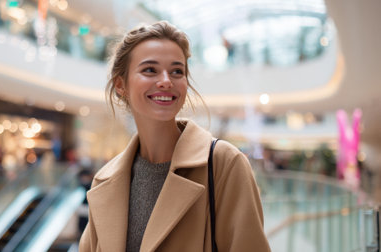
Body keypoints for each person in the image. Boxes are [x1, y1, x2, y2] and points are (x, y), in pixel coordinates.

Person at [79, 21, 271, 252]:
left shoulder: (224, 164)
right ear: (121, 85)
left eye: (177, 71)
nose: (166, 81)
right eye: (150, 70)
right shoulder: (105, 180)